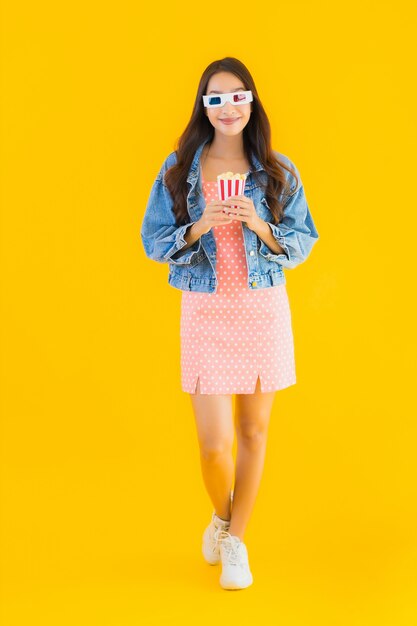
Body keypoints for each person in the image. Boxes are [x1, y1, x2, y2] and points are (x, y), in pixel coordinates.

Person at [141, 57, 319, 590]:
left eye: (236, 95)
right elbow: (154, 241)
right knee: (214, 444)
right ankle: (222, 518)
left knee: (253, 431)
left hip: (262, 310)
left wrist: (260, 225)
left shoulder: (276, 170)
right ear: (203, 106)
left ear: (251, 100)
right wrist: (197, 228)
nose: (227, 107)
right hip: (206, 311)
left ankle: (236, 542)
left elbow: (303, 238)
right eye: (215, 98)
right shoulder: (178, 168)